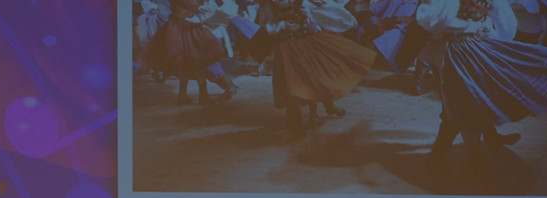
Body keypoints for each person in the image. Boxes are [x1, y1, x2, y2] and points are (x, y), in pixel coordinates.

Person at [413, 0, 547, 170]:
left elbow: (432, 21)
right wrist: (488, 36)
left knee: (460, 107)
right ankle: (464, 161)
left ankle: (455, 163)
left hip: (458, 52)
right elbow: (508, 28)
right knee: (471, 103)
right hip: (478, 48)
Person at [258, 0, 377, 138]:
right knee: (291, 85)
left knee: (317, 76)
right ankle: (297, 124)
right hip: (286, 48)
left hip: (307, 42)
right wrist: (283, 25)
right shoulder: (269, 5)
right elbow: (266, 26)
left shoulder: (303, 2)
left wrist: (311, 24)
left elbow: (317, 13)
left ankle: (326, 108)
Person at [144, 0, 238, 104]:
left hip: (187, 25)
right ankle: (201, 94)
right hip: (185, 25)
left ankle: (194, 95)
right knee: (194, 61)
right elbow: (190, 5)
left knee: (193, 61)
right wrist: (200, 7)